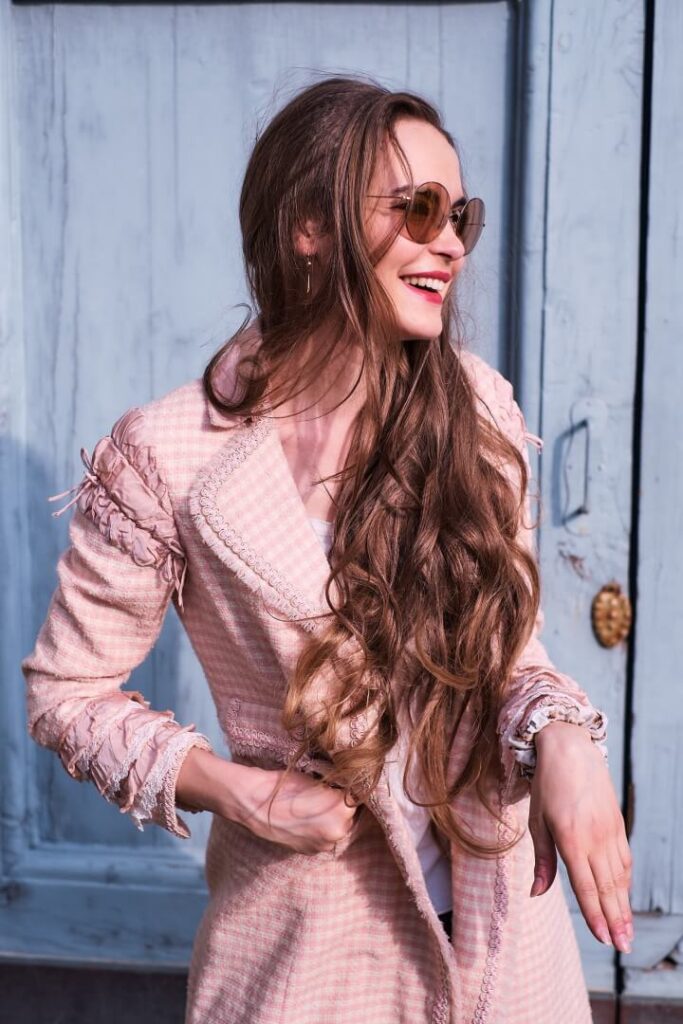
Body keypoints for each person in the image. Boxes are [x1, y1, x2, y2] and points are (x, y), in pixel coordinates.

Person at [22, 76, 631, 1024]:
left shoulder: (476, 412)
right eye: (417, 209)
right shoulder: (168, 455)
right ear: (309, 227)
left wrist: (561, 735)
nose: (450, 243)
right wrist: (238, 793)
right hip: (307, 955)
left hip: (507, 948)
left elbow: (509, 652)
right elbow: (66, 695)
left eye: (458, 215)